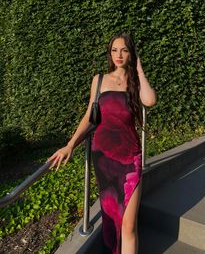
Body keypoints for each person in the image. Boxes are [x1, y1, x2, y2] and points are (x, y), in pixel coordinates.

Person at [47, 31, 157, 254]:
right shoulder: (99, 80)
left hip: (130, 156)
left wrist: (139, 68)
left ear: (131, 54)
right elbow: (90, 116)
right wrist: (70, 144)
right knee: (113, 214)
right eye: (114, 50)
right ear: (109, 53)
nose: (119, 54)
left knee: (129, 224)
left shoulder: (134, 82)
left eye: (124, 50)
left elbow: (150, 100)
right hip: (104, 157)